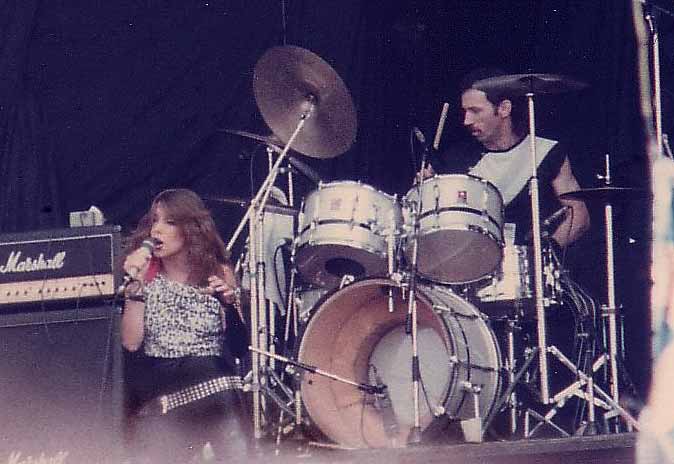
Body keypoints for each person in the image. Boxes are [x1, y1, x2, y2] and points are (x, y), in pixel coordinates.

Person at [120, 188, 249, 463]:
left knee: (218, 377)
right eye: (154, 221)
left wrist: (229, 302)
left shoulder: (220, 273)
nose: (157, 230)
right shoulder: (147, 277)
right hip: (167, 387)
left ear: (191, 229)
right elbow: (131, 343)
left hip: (213, 386)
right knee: (220, 381)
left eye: (169, 222)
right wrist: (136, 288)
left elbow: (240, 349)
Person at [420, 68, 590, 248]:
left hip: (523, 266)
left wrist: (545, 252)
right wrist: (428, 192)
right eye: (465, 112)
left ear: (504, 108)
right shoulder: (453, 159)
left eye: (475, 111)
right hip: (467, 261)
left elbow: (579, 217)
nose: (466, 121)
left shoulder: (544, 152)